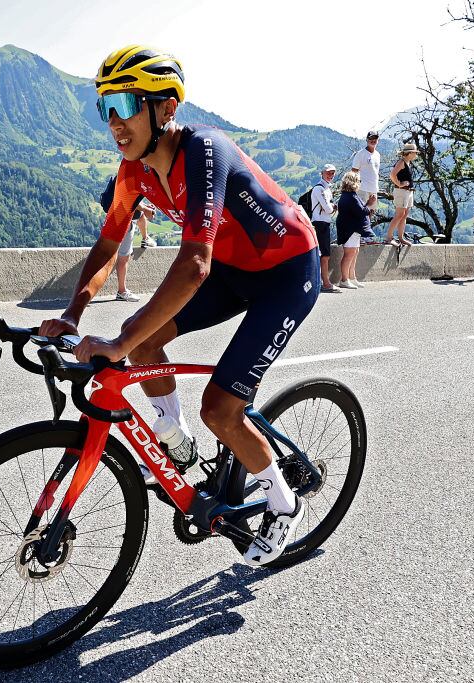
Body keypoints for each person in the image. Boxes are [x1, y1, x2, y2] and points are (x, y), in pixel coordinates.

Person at [39, 45, 320, 566]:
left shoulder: (206, 151)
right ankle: (176, 441)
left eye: (125, 104)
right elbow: (108, 244)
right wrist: (72, 315)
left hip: (286, 273)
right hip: (233, 270)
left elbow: (193, 265)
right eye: (105, 107)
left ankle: (284, 503)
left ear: (165, 108)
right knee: (143, 340)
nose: (114, 121)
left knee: (220, 408)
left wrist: (119, 342)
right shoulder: (133, 172)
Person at [100, 175, 151, 302]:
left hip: (116, 215)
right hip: (123, 218)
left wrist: (144, 207)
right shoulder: (136, 176)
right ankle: (122, 291)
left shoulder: (125, 174)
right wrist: (145, 208)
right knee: (124, 258)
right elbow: (129, 198)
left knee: (141, 217)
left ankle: (146, 238)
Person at [335, 170, 371, 289]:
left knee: (354, 252)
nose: (360, 183)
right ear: (354, 182)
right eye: (358, 181)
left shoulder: (348, 195)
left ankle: (352, 277)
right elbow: (361, 211)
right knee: (349, 254)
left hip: (352, 229)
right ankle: (344, 280)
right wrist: (369, 203)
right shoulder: (351, 197)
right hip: (349, 230)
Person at [311, 164, 340, 292]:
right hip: (320, 223)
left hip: (324, 223)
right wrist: (332, 207)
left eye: (333, 173)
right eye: (328, 172)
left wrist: (330, 207)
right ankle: (326, 283)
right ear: (322, 173)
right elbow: (328, 209)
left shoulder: (327, 188)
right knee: (324, 254)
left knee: (324, 254)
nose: (331, 175)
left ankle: (322, 282)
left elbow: (328, 207)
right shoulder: (319, 189)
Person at [386, 142, 420, 246]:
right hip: (401, 191)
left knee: (404, 215)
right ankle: (389, 237)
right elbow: (392, 175)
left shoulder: (407, 162)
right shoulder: (401, 162)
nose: (416, 155)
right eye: (415, 153)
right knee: (399, 214)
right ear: (409, 153)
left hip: (408, 192)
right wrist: (400, 184)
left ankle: (401, 238)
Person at [350, 131, 381, 211]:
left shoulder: (377, 155)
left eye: (375, 138)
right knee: (360, 212)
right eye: (371, 138)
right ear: (367, 140)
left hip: (374, 189)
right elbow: (353, 172)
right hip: (362, 189)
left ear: (378, 140)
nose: (373, 140)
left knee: (371, 213)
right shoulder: (360, 154)